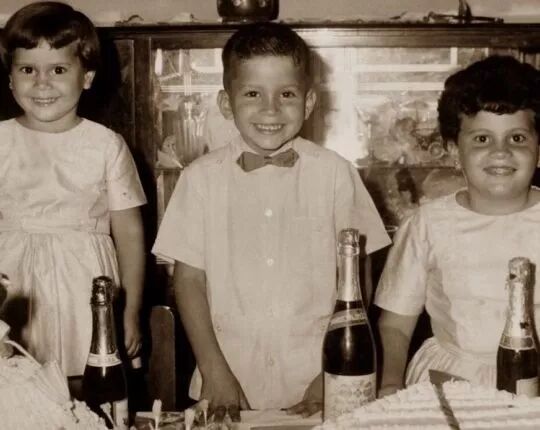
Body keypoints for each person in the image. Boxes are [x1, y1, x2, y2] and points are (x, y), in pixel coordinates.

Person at [152, 22, 390, 416]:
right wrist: (214, 370)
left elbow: (357, 277)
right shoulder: (200, 179)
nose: (270, 109)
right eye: (252, 93)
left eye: (286, 94)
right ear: (226, 103)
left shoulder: (335, 174)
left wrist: (332, 372)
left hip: (318, 379)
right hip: (225, 380)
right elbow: (188, 280)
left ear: (309, 102)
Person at [374, 55, 540, 397]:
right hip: (449, 379)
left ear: (539, 150)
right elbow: (396, 324)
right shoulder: (428, 225)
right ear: (453, 150)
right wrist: (390, 383)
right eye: (482, 139)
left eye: (517, 138)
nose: (500, 152)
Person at [0, 1, 146, 378]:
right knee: (17, 388)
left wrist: (129, 309)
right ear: (10, 77)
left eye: (59, 69)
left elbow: (129, 234)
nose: (42, 83)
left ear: (87, 77)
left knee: (89, 385)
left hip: (85, 286)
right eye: (27, 69)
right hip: (13, 288)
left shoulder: (105, 145)